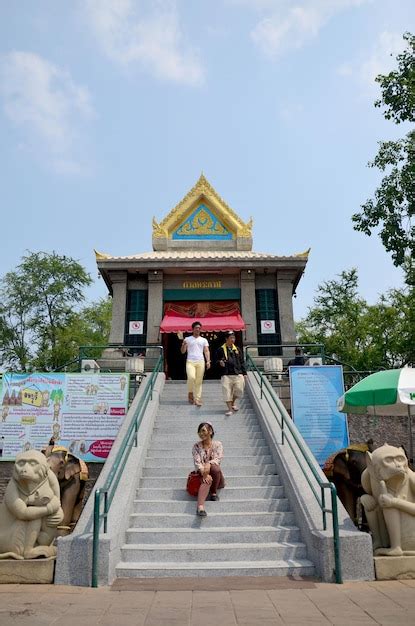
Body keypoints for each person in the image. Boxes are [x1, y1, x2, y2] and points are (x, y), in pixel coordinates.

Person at [192, 422, 224, 517]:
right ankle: (200, 507)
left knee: (215, 468)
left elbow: (218, 459)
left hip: (216, 476)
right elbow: (197, 462)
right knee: (207, 479)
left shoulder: (218, 444)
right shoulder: (196, 446)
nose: (201, 434)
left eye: (203, 431)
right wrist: (204, 472)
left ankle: (213, 492)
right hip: (202, 474)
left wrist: (208, 464)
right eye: (199, 432)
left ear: (210, 431)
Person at [216, 330, 247, 416]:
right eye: (231, 338)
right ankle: (230, 409)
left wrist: (244, 373)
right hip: (226, 374)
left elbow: (241, 361)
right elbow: (216, 360)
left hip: (237, 373)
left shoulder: (237, 349)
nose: (233, 339)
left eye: (234, 338)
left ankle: (232, 403)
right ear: (226, 339)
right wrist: (220, 362)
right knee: (227, 392)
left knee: (239, 390)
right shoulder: (221, 349)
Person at [180, 321, 210, 406]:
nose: (198, 329)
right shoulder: (187, 339)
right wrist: (183, 345)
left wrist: (208, 361)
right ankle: (190, 392)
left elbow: (206, 351)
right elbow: (183, 352)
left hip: (200, 361)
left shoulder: (203, 340)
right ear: (192, 329)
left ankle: (197, 399)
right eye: (196, 328)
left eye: (199, 328)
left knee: (199, 381)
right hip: (190, 361)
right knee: (191, 377)